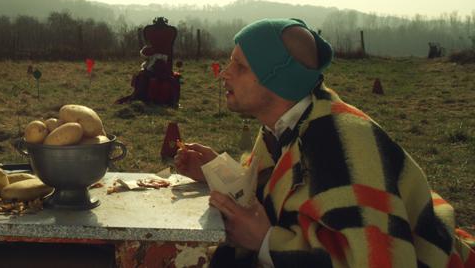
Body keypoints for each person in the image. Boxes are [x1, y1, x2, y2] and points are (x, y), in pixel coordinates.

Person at [175, 18, 475, 267]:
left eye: (239, 67)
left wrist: (266, 241)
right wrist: (217, 173)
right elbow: (278, 192)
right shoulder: (289, 123)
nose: (224, 74)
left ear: (276, 80)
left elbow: (381, 259)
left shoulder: (341, 144)